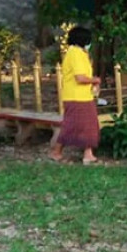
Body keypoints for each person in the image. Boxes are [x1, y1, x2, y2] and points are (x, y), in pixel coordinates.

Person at [50, 27, 101, 165]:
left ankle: (86, 153)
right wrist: (95, 80)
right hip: (77, 97)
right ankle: (59, 152)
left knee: (83, 125)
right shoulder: (76, 54)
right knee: (78, 125)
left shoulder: (78, 53)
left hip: (82, 96)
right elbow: (80, 78)